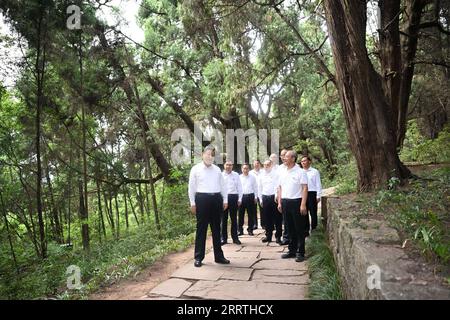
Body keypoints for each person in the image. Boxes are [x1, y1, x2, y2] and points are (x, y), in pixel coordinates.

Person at [188, 146, 230, 267]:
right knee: (201, 229)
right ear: (202, 154)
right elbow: (191, 187)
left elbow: (223, 186)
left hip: (216, 199)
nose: (209, 157)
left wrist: (225, 199)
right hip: (202, 200)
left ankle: (219, 256)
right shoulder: (195, 169)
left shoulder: (217, 169)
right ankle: (198, 257)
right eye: (207, 154)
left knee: (217, 228)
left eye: (212, 155)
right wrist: (192, 203)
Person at [277, 150, 309, 262]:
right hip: (285, 202)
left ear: (293, 158)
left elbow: (305, 188)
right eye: (284, 157)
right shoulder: (282, 171)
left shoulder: (300, 172)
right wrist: (280, 202)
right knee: (289, 228)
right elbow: (280, 187)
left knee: (299, 228)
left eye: (286, 157)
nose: (284, 158)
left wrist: (303, 204)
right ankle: (292, 250)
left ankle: (300, 252)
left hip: (297, 202)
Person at [258, 159, 282, 244]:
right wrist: (260, 199)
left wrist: (276, 195)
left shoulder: (276, 174)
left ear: (271, 165)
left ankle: (278, 236)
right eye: (264, 165)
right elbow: (259, 188)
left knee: (277, 218)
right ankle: (268, 236)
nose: (266, 166)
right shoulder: (261, 175)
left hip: (274, 197)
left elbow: (278, 186)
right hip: (265, 197)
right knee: (267, 218)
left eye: (268, 164)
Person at [221, 160, 243, 245]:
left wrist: (240, 199)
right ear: (224, 166)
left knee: (234, 219)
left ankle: (235, 238)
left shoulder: (236, 175)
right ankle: (224, 238)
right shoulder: (221, 175)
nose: (228, 166)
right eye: (227, 165)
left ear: (232, 166)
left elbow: (240, 187)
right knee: (224, 219)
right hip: (223, 199)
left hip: (233, 197)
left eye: (230, 165)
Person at [300, 156, 322, 236]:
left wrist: (318, 195)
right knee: (304, 212)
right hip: (302, 194)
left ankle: (314, 228)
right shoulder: (300, 172)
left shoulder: (315, 171)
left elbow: (318, 183)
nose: (303, 162)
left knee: (313, 212)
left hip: (312, 193)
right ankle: (305, 230)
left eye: (305, 161)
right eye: (302, 161)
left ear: (309, 161)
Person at [238, 163, 258, 236]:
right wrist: (239, 199)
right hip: (241, 197)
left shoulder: (252, 177)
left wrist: (255, 197)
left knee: (251, 214)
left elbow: (255, 187)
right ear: (241, 169)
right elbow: (238, 188)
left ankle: (250, 229)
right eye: (244, 168)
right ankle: (240, 230)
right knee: (240, 215)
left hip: (250, 196)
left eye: (247, 168)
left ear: (249, 169)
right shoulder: (239, 177)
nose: (245, 170)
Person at [250, 160, 263, 229]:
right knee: (253, 209)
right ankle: (255, 224)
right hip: (253, 193)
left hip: (262, 192)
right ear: (253, 165)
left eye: (258, 163)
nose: (256, 165)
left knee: (263, 208)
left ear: (260, 164)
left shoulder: (263, 172)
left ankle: (263, 223)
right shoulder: (250, 173)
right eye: (255, 164)